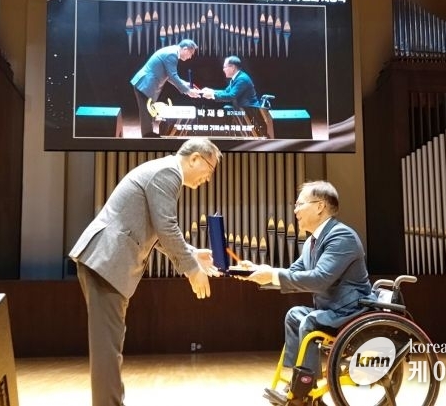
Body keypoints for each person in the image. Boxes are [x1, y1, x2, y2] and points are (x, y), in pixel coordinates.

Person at [69, 138, 222, 406]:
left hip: (107, 261)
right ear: (195, 158)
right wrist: (191, 269)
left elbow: (156, 230)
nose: (207, 179)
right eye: (209, 171)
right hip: (107, 259)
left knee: (110, 345)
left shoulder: (164, 171)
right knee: (107, 349)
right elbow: (166, 226)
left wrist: (192, 253)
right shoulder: (168, 173)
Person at [240, 181, 375, 401]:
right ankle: (300, 381)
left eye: (299, 204)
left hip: (351, 311)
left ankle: (303, 390)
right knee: (295, 315)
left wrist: (272, 274)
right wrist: (255, 271)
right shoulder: (312, 241)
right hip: (332, 310)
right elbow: (292, 273)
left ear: (320, 206)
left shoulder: (342, 236)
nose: (295, 211)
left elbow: (319, 280)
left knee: (309, 321)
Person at [130, 39, 201, 137]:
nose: (190, 57)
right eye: (191, 53)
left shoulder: (172, 51)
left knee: (148, 113)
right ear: (185, 49)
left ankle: (148, 136)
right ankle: (147, 139)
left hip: (146, 84)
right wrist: (188, 91)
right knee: (146, 113)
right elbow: (173, 76)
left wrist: (185, 84)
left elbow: (170, 76)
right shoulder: (172, 55)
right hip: (145, 84)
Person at [201, 55, 273, 138]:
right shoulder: (236, 78)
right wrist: (212, 91)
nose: (223, 69)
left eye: (225, 67)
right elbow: (226, 92)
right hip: (243, 110)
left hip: (250, 112)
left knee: (226, 109)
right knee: (226, 108)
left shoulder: (242, 79)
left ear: (232, 68)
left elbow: (232, 96)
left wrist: (212, 95)